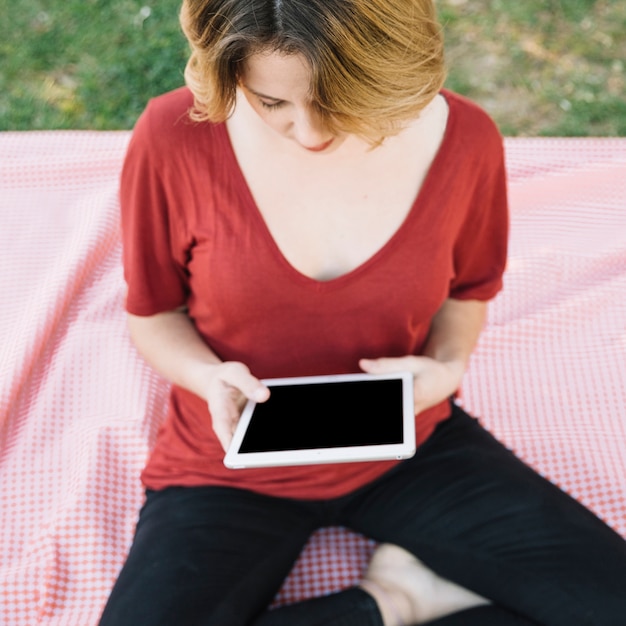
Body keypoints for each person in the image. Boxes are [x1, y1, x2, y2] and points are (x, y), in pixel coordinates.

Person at [99, 1, 626, 624]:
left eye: (342, 99)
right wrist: (207, 378)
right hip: (228, 466)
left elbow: (468, 292)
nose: (312, 134)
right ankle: (393, 602)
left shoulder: (466, 139)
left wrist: (447, 369)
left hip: (411, 447)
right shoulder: (174, 135)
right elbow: (154, 314)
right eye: (273, 104)